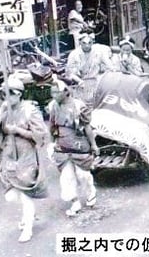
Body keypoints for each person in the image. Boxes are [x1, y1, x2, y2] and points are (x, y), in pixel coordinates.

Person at [0, 77, 49, 242]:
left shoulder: (30, 110)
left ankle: (28, 226)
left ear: (19, 94)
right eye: (4, 94)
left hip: (26, 155)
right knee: (11, 195)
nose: (7, 97)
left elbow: (40, 135)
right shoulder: (4, 110)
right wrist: (1, 110)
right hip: (9, 154)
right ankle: (28, 211)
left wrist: (17, 130)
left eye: (11, 93)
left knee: (25, 194)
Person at [48, 80, 99, 217]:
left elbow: (87, 127)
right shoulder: (53, 106)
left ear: (66, 92)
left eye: (56, 92)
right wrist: (51, 144)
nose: (54, 95)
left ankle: (91, 194)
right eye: (52, 93)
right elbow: (52, 126)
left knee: (83, 175)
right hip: (62, 147)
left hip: (79, 146)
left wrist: (93, 145)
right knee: (66, 177)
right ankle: (75, 202)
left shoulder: (78, 106)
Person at [66, 33, 115, 104]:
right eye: (84, 43)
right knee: (82, 104)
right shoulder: (73, 54)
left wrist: (103, 77)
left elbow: (110, 66)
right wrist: (79, 81)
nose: (87, 46)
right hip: (80, 83)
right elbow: (70, 73)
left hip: (95, 82)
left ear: (92, 42)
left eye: (89, 43)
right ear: (80, 42)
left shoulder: (99, 52)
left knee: (97, 102)